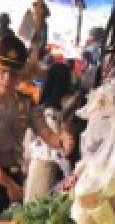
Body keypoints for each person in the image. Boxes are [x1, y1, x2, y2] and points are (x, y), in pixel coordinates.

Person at [0, 35, 56, 216]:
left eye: (14, 74)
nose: (7, 79)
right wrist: (8, 184)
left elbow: (46, 132)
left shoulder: (25, 103)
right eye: (3, 72)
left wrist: (62, 140)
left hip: (14, 178)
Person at [25, 62, 78, 201]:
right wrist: (69, 175)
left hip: (37, 166)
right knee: (36, 209)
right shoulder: (51, 113)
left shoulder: (42, 108)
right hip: (45, 168)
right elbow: (57, 151)